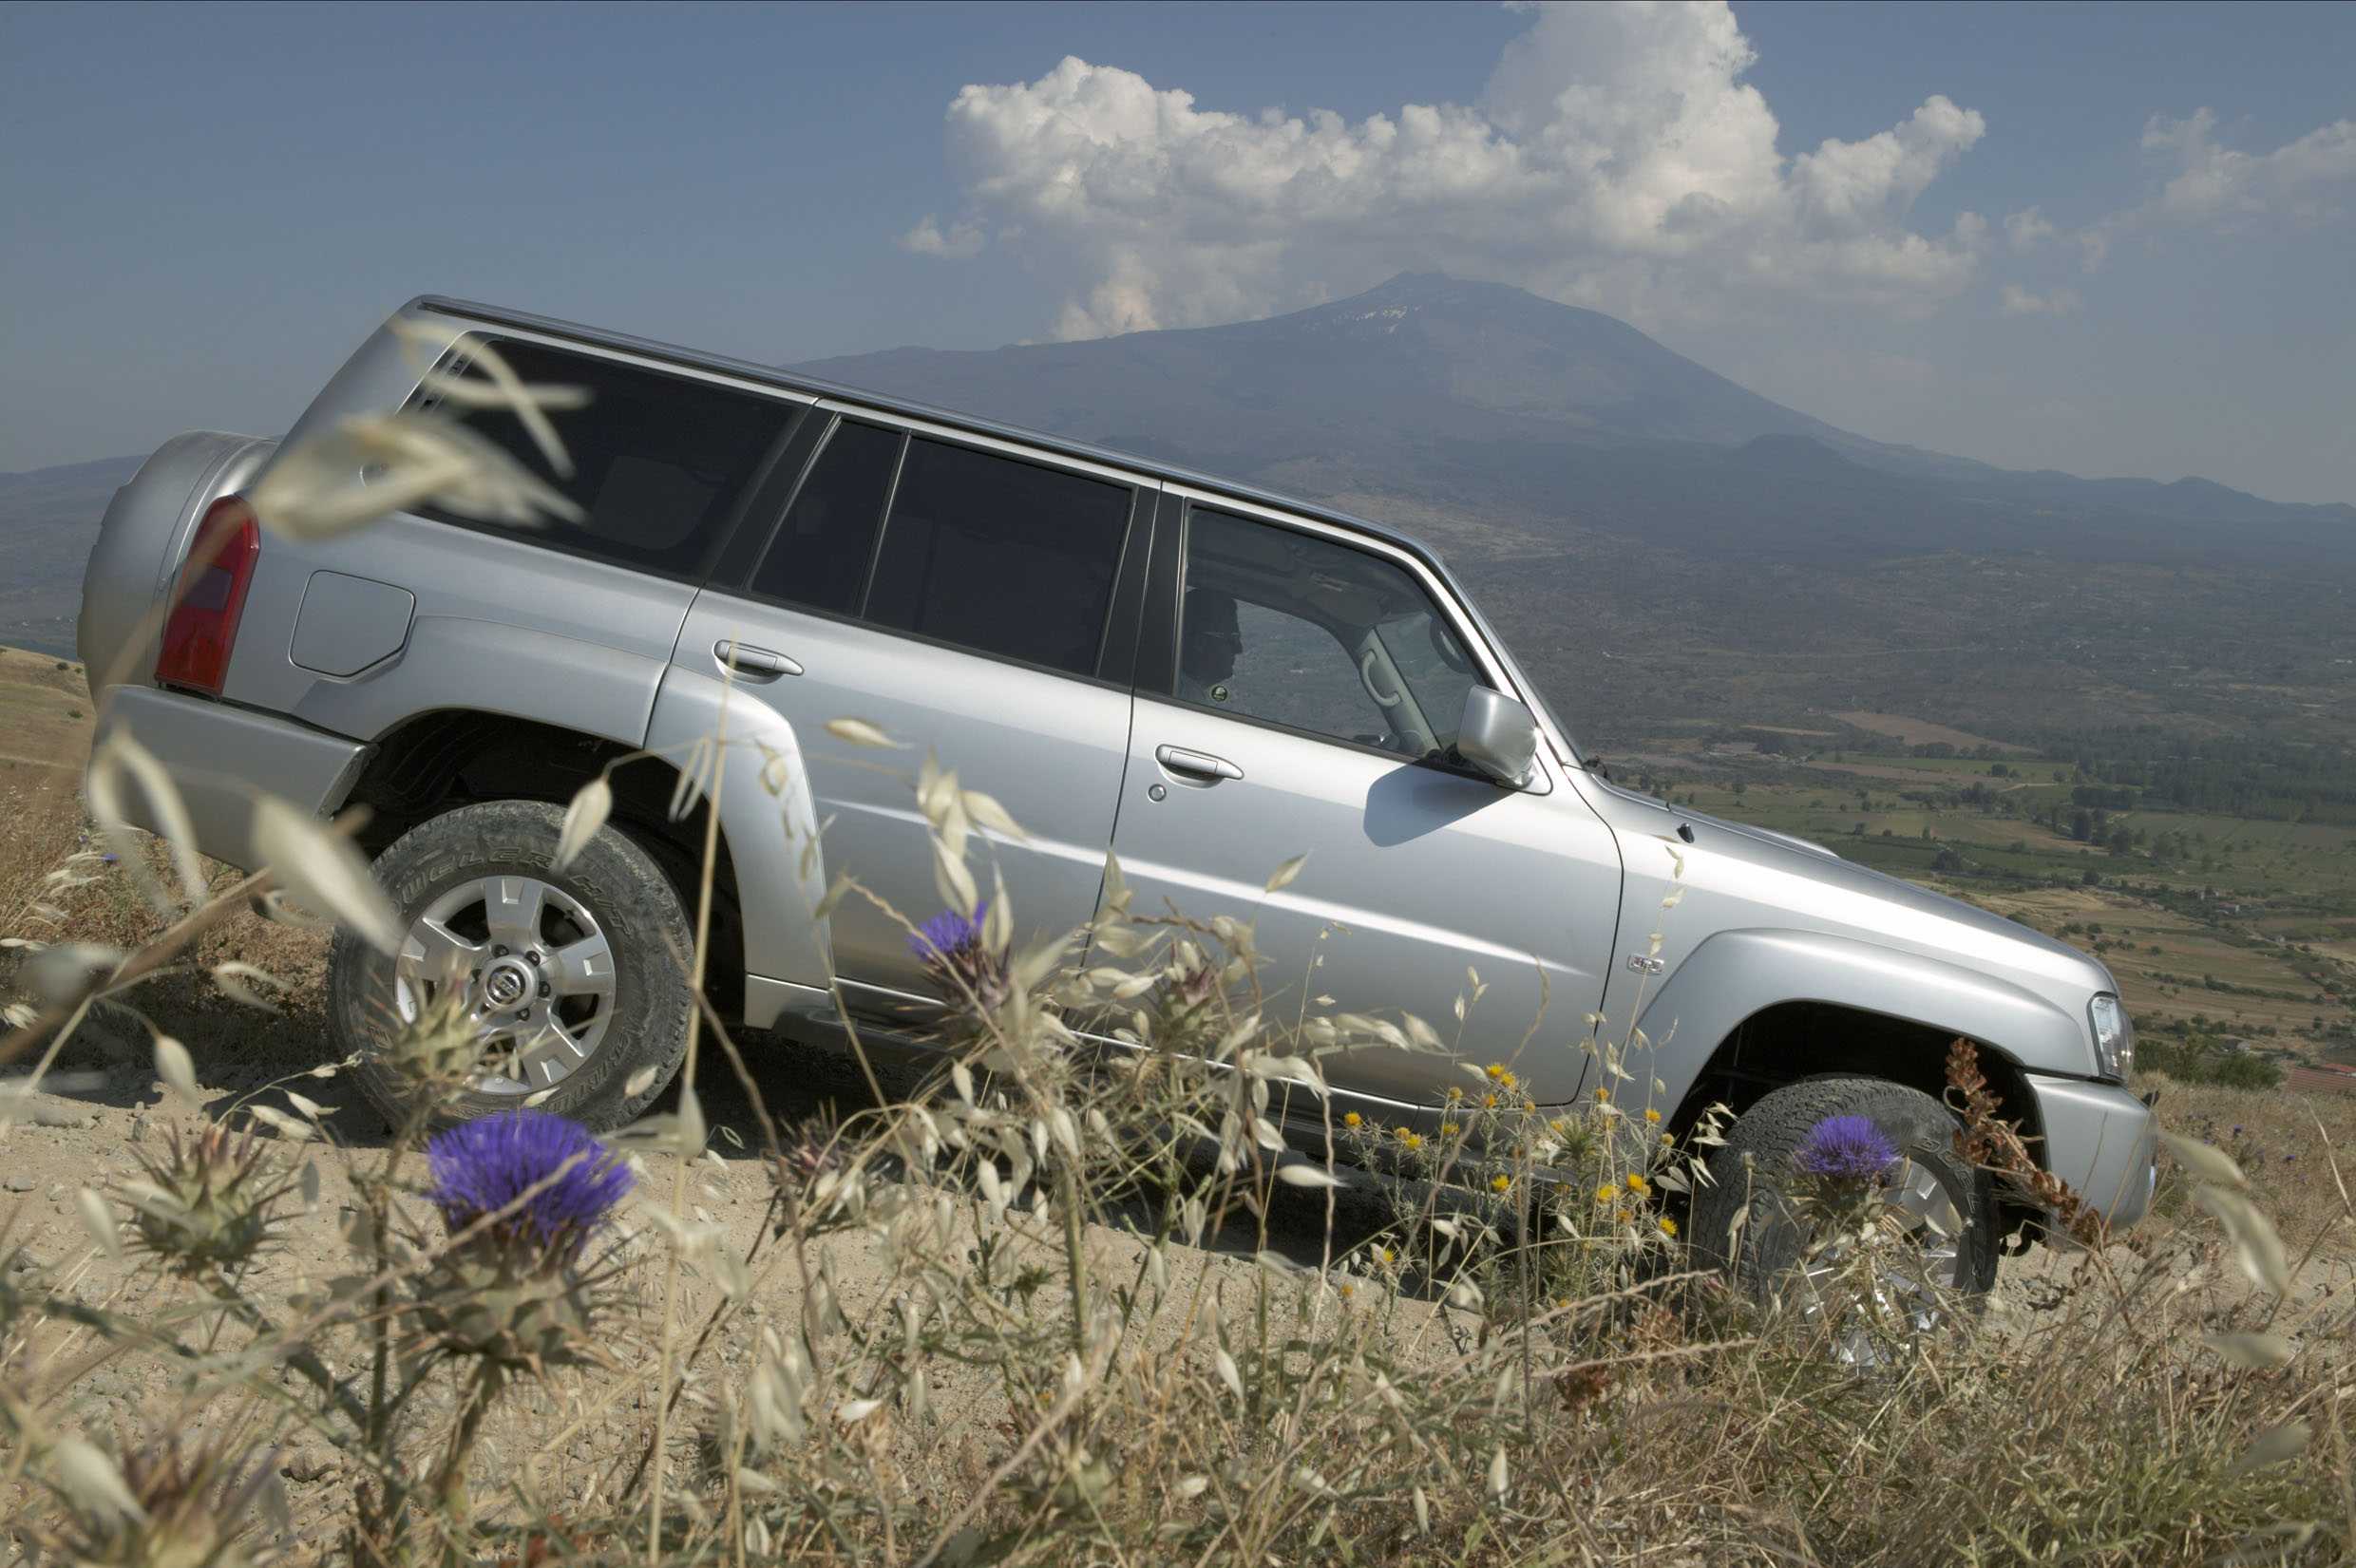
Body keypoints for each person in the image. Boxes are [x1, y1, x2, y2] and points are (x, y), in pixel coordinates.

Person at [1179, 586, 1244, 706]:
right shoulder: (1184, 700)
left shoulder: (1178, 694)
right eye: (1231, 639)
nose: (1239, 649)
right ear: (1200, 642)